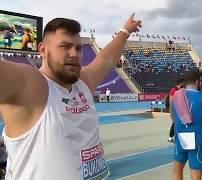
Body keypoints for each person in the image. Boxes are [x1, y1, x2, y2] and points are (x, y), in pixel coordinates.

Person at [0, 14, 142, 180]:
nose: (74, 54)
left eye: (78, 48)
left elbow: (105, 59)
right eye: (65, 46)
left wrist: (125, 32)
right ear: (43, 50)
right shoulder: (31, 86)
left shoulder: (83, 83)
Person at [171, 71, 202, 180]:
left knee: (177, 170)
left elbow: (173, 116)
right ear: (198, 82)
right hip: (197, 140)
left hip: (180, 137)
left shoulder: (176, 96)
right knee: (196, 176)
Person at [168, 78, 185, 143]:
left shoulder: (181, 90)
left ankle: (179, 137)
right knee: (175, 123)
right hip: (175, 109)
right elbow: (171, 101)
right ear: (181, 83)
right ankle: (170, 137)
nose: (184, 84)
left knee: (181, 124)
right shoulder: (173, 90)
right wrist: (171, 111)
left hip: (180, 109)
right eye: (183, 83)